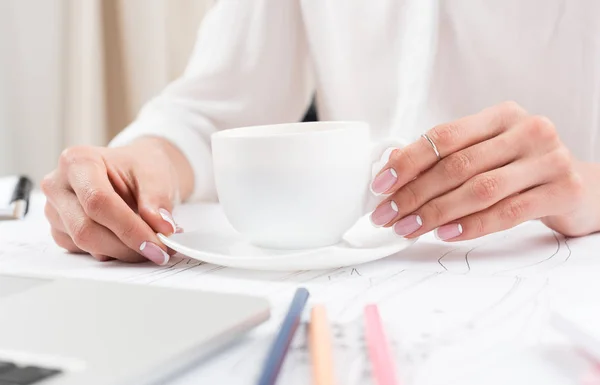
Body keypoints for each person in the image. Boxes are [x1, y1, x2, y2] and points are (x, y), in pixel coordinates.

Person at [41, 1, 600, 265]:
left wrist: (584, 186)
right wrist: (139, 166)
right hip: (349, 280)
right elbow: (211, 109)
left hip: (557, 269)